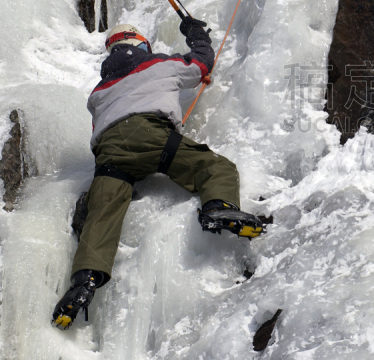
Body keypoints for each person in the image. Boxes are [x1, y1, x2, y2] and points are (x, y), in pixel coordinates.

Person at [52, 19, 265, 330]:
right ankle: (217, 206)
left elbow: (100, 128)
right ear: (141, 45)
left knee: (102, 216)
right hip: (150, 132)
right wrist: (196, 35)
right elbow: (200, 64)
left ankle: (83, 281)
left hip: (109, 152)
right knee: (213, 166)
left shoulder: (98, 92)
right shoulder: (157, 64)